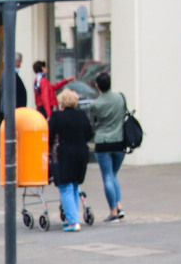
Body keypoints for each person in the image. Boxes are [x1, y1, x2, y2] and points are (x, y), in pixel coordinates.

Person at [47, 87, 93, 233]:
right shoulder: (82, 115)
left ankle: (73, 221)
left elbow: (49, 136)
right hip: (81, 153)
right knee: (73, 185)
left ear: (61, 102)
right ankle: (70, 218)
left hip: (64, 154)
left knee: (65, 187)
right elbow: (89, 134)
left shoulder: (56, 116)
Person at [86, 72, 126, 222]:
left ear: (97, 86)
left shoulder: (95, 104)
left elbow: (92, 124)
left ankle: (113, 212)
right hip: (120, 141)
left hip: (103, 142)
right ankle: (119, 205)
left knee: (108, 177)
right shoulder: (120, 98)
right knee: (113, 175)